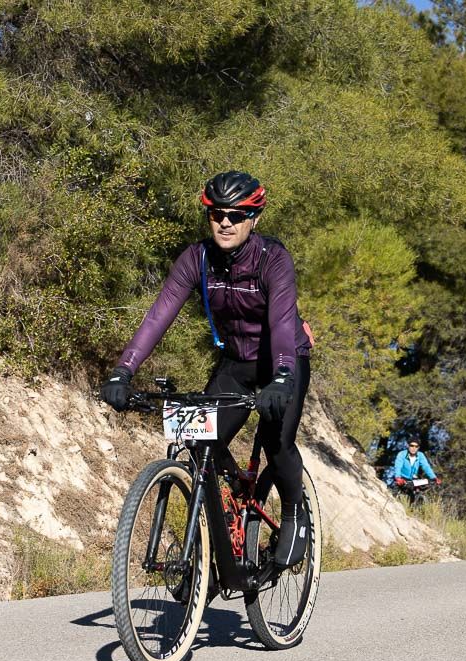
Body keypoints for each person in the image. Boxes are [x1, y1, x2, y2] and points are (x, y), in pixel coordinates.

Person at [99, 171, 314, 567]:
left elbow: (282, 323)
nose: (225, 222)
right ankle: (225, 517)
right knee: (199, 441)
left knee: (275, 440)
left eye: (236, 214)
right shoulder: (195, 259)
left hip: (284, 359)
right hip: (235, 361)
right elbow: (158, 316)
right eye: (216, 214)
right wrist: (123, 371)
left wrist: (283, 376)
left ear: (255, 218)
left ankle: (293, 514)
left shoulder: (273, 259)